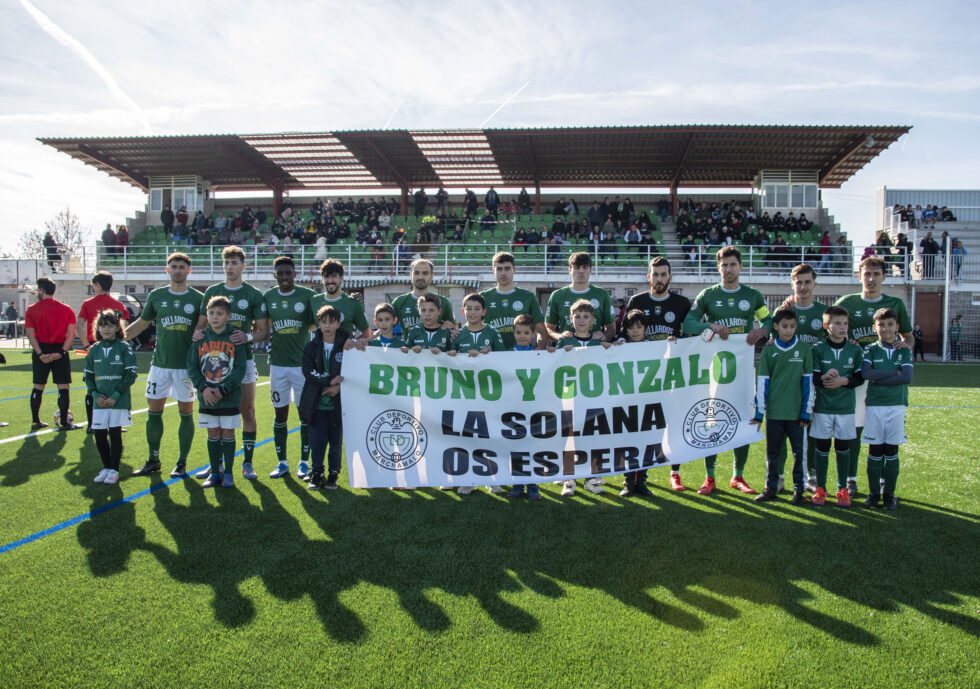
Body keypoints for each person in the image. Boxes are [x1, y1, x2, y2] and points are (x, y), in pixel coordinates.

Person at [683, 246, 773, 496]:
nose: (729, 269)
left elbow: (767, 320)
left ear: (741, 267)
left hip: (743, 368)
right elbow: (689, 323)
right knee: (712, 417)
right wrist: (710, 325)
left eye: (733, 264)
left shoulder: (753, 296)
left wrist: (763, 330)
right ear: (718, 267)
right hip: (715, 369)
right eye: (724, 265)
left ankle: (738, 475)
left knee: (744, 416)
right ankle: (710, 477)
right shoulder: (708, 295)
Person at [834, 255, 912, 497]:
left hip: (885, 380)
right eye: (867, 274)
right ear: (859, 276)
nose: (871, 278)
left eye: (876, 274)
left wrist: (904, 346)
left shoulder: (895, 303)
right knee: (854, 429)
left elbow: (908, 337)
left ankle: (881, 484)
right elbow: (831, 326)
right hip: (857, 375)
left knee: (884, 433)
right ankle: (851, 479)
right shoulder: (847, 301)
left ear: (884, 277)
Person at [124, 253, 204, 476]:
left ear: (189, 271)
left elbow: (204, 328)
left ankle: (181, 462)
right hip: (159, 365)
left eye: (181, 267)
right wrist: (118, 338)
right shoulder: (157, 295)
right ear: (167, 270)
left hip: (186, 367)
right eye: (173, 267)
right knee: (153, 412)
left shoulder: (198, 299)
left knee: (186, 412)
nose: (177, 270)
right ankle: (153, 459)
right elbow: (142, 323)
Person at [194, 246, 268, 481]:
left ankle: (247, 462)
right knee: (215, 413)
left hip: (243, 360)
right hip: (214, 362)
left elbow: (263, 331)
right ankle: (215, 464)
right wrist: (197, 334)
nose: (230, 267)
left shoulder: (253, 294)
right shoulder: (213, 292)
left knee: (246, 409)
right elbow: (201, 324)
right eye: (226, 262)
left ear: (243, 266)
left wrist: (247, 337)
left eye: (235, 262)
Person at [624, 256, 691, 491]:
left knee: (665, 428)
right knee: (633, 430)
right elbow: (624, 335)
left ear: (670, 277)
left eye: (664, 274)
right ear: (648, 276)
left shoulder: (682, 303)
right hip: (637, 380)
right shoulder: (636, 300)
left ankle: (670, 473)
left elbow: (691, 336)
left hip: (669, 377)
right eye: (656, 274)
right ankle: (629, 479)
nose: (659, 279)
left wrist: (679, 341)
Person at [752, 307, 814, 505]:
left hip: (797, 415)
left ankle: (799, 490)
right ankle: (771, 488)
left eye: (792, 327)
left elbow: (808, 383)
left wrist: (806, 412)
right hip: (775, 414)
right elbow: (762, 383)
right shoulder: (769, 350)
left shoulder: (804, 349)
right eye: (784, 326)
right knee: (773, 453)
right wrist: (760, 413)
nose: (788, 330)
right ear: (776, 326)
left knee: (799, 454)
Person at [448, 293, 507, 496]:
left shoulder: (492, 332)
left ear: (484, 312)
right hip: (465, 395)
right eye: (469, 309)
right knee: (467, 436)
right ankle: (469, 479)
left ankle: (493, 477)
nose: (472, 312)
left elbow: (505, 360)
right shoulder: (457, 335)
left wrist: (491, 355)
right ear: (463, 312)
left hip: (488, 395)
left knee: (489, 436)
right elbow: (448, 363)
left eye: (476, 309)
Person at [263, 256, 315, 481]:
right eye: (280, 273)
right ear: (275, 275)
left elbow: (315, 324)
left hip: (301, 367)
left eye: (288, 273)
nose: (284, 277)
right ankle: (282, 462)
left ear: (295, 274)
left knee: (305, 415)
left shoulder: (307, 296)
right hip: (277, 366)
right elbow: (262, 328)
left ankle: (304, 463)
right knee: (280, 414)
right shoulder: (268, 297)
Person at [556, 299, 614, 497]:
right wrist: (557, 352)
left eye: (585, 317)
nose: (581, 320)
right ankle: (569, 479)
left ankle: (591, 478)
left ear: (593, 320)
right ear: (571, 319)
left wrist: (611, 347)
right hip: (569, 396)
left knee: (592, 437)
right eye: (577, 316)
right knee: (569, 438)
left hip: (592, 397)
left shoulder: (599, 342)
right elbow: (551, 363)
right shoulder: (565, 341)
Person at [187, 296, 246, 488]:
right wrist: (203, 388)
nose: (215, 317)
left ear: (228, 316)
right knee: (212, 433)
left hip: (228, 398)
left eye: (220, 313)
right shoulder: (200, 338)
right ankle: (214, 472)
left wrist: (223, 389)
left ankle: (228, 473)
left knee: (227, 433)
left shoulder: (235, 337)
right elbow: (192, 367)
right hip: (207, 397)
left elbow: (239, 369)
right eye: (211, 313)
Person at [810, 305, 864, 508]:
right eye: (838, 323)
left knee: (843, 447)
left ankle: (842, 489)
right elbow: (813, 378)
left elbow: (860, 377)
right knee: (822, 447)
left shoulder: (855, 349)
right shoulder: (817, 349)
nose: (843, 327)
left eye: (845, 324)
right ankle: (820, 488)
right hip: (823, 407)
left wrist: (844, 381)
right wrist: (824, 378)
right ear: (826, 325)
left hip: (845, 408)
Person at [861, 308, 913, 510]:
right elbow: (866, 374)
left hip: (897, 406)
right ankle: (874, 494)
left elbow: (907, 378)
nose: (886, 328)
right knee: (875, 450)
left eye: (890, 324)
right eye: (881, 325)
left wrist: (879, 377)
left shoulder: (904, 349)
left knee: (891, 450)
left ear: (897, 327)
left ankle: (889, 494)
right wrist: (894, 373)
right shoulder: (871, 349)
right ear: (875, 327)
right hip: (875, 406)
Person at [84, 310, 137, 485]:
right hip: (99, 401)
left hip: (118, 400)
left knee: (115, 433)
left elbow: (130, 375)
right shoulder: (94, 349)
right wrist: (95, 394)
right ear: (97, 328)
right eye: (102, 325)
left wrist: (115, 395)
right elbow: (88, 376)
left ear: (117, 327)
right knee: (99, 435)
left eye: (110, 325)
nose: (106, 329)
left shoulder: (124, 347)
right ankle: (106, 467)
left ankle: (114, 470)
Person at [298, 305, 348, 490]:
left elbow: (352, 371)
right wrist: (329, 380)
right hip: (316, 406)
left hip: (337, 406)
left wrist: (339, 386)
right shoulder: (311, 347)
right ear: (318, 324)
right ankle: (316, 473)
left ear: (338, 324)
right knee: (317, 442)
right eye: (323, 322)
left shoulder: (346, 346)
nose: (327, 326)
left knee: (335, 443)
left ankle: (333, 474)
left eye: (331, 322)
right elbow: (308, 371)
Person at [77, 271, 130, 433]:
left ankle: (92, 424)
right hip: (115, 349)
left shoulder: (87, 303)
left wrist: (87, 346)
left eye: (94, 285)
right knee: (115, 384)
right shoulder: (118, 305)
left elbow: (79, 326)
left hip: (95, 347)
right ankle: (116, 424)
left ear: (97, 285)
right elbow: (125, 326)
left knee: (92, 385)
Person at [25, 277, 80, 430]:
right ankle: (64, 421)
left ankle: (36, 421)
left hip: (40, 349)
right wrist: (62, 352)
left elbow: (31, 335)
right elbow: (71, 334)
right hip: (60, 348)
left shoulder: (31, 310)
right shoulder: (66, 309)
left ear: (41, 290)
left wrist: (41, 354)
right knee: (63, 386)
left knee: (38, 386)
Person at [506, 315, 546, 500]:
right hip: (514, 409)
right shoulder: (506, 355)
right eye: (518, 332)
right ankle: (517, 484)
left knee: (533, 446)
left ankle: (533, 485)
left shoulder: (540, 354)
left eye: (526, 333)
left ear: (533, 334)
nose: (522, 336)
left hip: (534, 408)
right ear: (513, 333)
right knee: (516, 447)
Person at [618, 309, 656, 498]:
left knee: (646, 443)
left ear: (646, 330)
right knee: (628, 444)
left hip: (647, 402)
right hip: (626, 403)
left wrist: (673, 346)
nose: (635, 331)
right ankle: (628, 482)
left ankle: (641, 481)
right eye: (631, 328)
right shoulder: (621, 345)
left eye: (639, 328)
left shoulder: (654, 347)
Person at [480, 252, 547, 350]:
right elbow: (472, 327)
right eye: (499, 269)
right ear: (493, 270)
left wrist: (540, 347)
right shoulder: (483, 297)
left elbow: (541, 330)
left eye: (507, 269)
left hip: (520, 358)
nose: (503, 273)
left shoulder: (528, 297)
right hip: (492, 357)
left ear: (514, 270)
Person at [545, 252, 616, 344]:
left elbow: (612, 329)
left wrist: (604, 335)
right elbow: (548, 329)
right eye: (577, 268)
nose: (581, 271)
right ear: (570, 270)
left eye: (585, 267)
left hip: (596, 351)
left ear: (590, 270)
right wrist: (559, 336)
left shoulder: (602, 294)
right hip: (567, 352)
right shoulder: (557, 295)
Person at [309, 259, 371, 344]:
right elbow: (309, 327)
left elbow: (366, 334)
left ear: (342, 278)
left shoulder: (353, 303)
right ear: (322, 279)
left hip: (344, 356)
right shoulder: (314, 301)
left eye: (334, 276)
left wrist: (353, 343)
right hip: (320, 356)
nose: (330, 280)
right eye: (326, 276)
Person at [391, 259, 455, 335]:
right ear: (410, 275)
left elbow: (454, 330)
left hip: (434, 346)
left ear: (431, 276)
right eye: (416, 273)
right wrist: (375, 336)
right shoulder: (399, 302)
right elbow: (386, 327)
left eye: (425, 273)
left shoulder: (443, 302)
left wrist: (450, 326)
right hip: (408, 346)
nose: (420, 277)